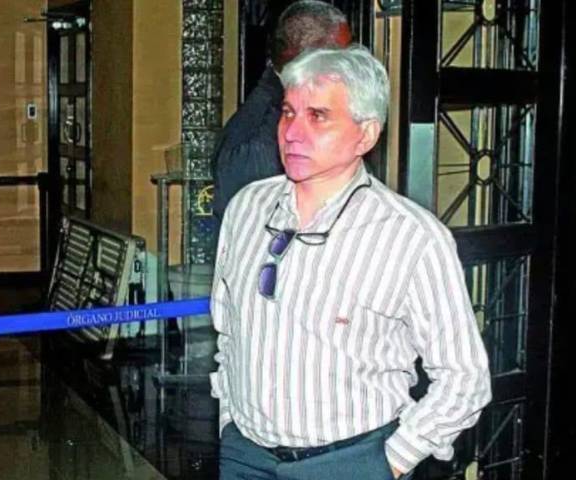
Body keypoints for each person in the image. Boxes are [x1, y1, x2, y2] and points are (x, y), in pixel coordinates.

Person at [210, 45, 492, 480]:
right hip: (245, 458)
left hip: (350, 463)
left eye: (318, 116)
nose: (292, 133)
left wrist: (389, 462)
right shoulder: (247, 208)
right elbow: (228, 331)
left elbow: (465, 378)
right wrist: (230, 423)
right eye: (288, 113)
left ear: (366, 135)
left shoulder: (411, 236)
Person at [211, 0, 352, 236]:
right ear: (312, 57)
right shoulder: (262, 141)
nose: (353, 67)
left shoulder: (273, 107)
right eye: (344, 58)